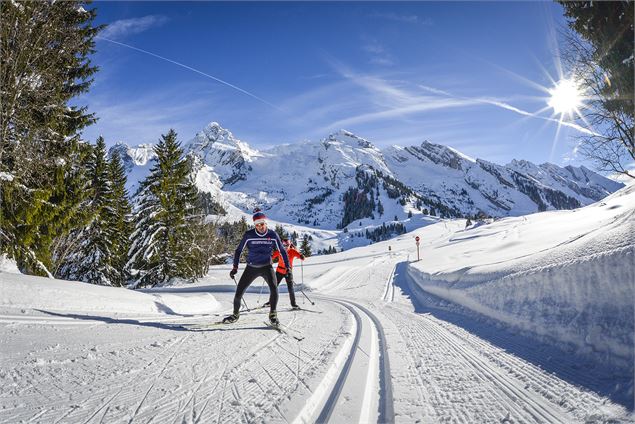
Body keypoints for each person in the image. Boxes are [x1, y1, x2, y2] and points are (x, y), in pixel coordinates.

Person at [223, 209, 290, 326]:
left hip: (267, 267)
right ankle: (235, 315)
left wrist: (288, 268)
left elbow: (282, 251)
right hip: (251, 268)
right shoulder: (249, 235)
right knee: (239, 293)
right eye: (257, 225)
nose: (260, 227)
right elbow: (238, 251)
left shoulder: (272, 235)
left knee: (274, 289)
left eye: (262, 224)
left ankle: (273, 315)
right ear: (255, 225)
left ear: (266, 223)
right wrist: (235, 267)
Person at [265, 238, 305, 309]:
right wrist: (268, 258)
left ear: (290, 245)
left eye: (287, 245)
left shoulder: (292, 251)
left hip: (288, 271)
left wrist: (301, 256)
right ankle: (270, 302)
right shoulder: (280, 250)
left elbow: (300, 256)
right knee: (274, 287)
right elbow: (272, 256)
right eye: (284, 245)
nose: (285, 247)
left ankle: (293, 304)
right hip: (279, 271)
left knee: (290, 288)